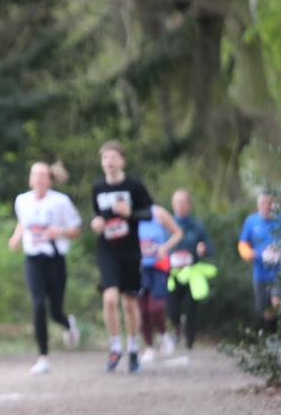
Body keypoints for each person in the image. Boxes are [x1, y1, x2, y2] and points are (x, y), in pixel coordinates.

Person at [9, 161, 82, 374]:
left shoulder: (60, 201)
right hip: (33, 260)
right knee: (38, 304)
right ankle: (43, 357)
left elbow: (76, 229)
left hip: (55, 259)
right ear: (30, 179)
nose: (39, 179)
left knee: (56, 311)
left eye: (43, 175)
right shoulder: (22, 200)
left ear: (49, 180)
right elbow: (23, 222)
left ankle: (67, 323)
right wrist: (16, 237)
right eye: (35, 175)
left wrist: (59, 232)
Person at [90, 141, 154, 373]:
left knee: (129, 302)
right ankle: (115, 347)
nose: (109, 161)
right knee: (109, 298)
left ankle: (133, 348)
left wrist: (131, 213)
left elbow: (149, 214)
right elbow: (98, 216)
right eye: (105, 158)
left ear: (122, 161)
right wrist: (96, 223)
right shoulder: (98, 187)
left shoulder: (134, 186)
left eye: (113, 157)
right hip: (107, 249)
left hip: (130, 250)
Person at [167, 189, 212, 355]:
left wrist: (203, 249)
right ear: (173, 204)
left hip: (192, 274)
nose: (179, 205)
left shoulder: (197, 226)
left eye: (182, 202)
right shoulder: (167, 224)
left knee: (191, 308)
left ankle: (189, 343)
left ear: (189, 205)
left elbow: (209, 248)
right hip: (172, 274)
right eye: (176, 202)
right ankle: (176, 328)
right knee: (171, 309)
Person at [136, 204, 183, 363]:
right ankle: (149, 347)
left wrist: (165, 247)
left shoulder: (158, 213)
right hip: (139, 268)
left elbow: (178, 233)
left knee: (155, 308)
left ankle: (163, 335)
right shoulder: (129, 215)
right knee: (142, 310)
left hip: (158, 267)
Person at [238, 192, 281, 333]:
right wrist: (251, 254)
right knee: (267, 312)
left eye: (270, 203)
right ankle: (273, 338)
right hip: (260, 273)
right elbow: (242, 244)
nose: (267, 207)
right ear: (258, 205)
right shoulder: (251, 221)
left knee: (277, 303)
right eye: (263, 204)